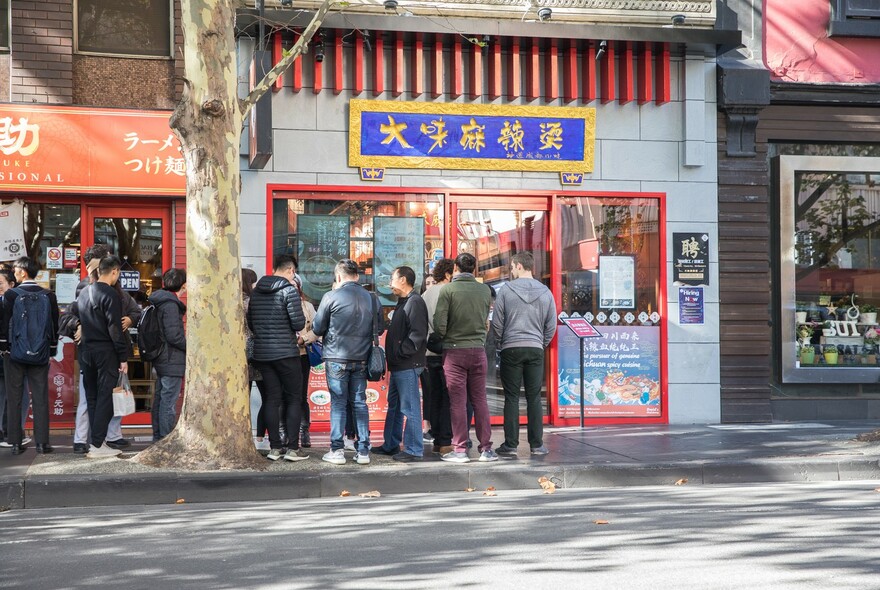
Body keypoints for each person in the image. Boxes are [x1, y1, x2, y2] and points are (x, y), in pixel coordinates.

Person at [70, 245, 141, 453]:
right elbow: (115, 329)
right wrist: (123, 357)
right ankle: (97, 443)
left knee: (92, 396)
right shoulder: (110, 294)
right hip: (106, 352)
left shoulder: (83, 294)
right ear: (115, 271)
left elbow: (78, 319)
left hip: (86, 352)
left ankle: (95, 442)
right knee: (107, 397)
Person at [313, 259, 383, 466]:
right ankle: (363, 450)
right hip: (362, 358)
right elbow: (378, 329)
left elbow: (317, 328)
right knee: (360, 403)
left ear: (338, 277)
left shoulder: (331, 296)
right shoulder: (372, 298)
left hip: (336, 358)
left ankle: (337, 450)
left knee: (338, 403)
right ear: (357, 277)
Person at [433, 253, 497, 463]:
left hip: (454, 351)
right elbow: (486, 322)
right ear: (474, 269)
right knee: (480, 400)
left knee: (458, 403)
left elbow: (440, 323)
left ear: (456, 269)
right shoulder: (484, 290)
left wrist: (446, 335)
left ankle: (460, 449)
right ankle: (486, 448)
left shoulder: (448, 289)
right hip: (478, 351)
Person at [492, 252, 557, 456]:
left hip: (511, 347)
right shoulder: (546, 292)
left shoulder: (506, 291)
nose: (511, 271)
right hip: (535, 348)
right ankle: (537, 444)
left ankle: (510, 444)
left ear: (519, 266)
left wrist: (501, 343)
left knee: (511, 397)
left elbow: (497, 322)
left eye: (512, 267)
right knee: (534, 397)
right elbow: (551, 324)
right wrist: (541, 342)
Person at [247, 255, 308, 462]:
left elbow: (251, 323)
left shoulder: (255, 292)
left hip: (263, 354)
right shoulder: (288, 291)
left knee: (272, 399)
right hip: (286, 354)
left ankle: (274, 448)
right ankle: (292, 448)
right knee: (293, 398)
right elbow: (299, 323)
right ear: (291, 270)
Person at [0, 257, 58, 454]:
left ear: (23, 272)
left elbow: (3, 324)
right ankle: (42, 443)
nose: (14, 272)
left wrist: (4, 348)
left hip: (14, 353)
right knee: (40, 397)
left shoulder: (11, 295)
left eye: (16, 269)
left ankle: (16, 443)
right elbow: (54, 325)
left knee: (14, 396)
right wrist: (51, 350)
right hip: (40, 353)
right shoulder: (49, 295)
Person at [374, 266, 428, 462]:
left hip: (408, 364)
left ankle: (414, 449)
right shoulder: (404, 301)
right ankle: (391, 444)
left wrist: (399, 352)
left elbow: (417, 335)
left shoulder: (415, 302)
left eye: (393, 279)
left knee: (409, 407)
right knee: (395, 406)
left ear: (403, 280)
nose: (390, 284)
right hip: (399, 364)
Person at [419, 258, 455, 456]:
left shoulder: (425, 294)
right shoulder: (450, 292)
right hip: (448, 350)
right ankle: (445, 440)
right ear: (448, 274)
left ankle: (435, 437)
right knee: (447, 397)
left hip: (429, 351)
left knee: (433, 396)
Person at [148, 268, 187, 442]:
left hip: (162, 357)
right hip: (171, 358)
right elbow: (174, 336)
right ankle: (165, 439)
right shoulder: (171, 305)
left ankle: (158, 437)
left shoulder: (159, 301)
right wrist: (191, 347)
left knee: (161, 398)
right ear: (183, 285)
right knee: (168, 402)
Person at [242, 268, 269, 450]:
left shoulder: (230, 302)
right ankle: (260, 437)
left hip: (237, 356)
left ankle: (243, 434)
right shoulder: (252, 302)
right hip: (256, 353)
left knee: (242, 398)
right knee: (268, 396)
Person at [293, 275, 319, 448]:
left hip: (302, 355)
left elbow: (318, 329)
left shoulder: (307, 306)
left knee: (301, 395)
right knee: (282, 396)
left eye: (294, 285)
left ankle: (304, 430)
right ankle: (285, 432)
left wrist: (304, 339)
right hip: (282, 355)